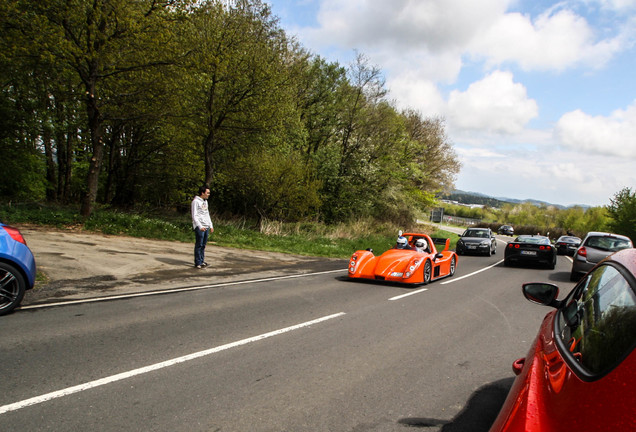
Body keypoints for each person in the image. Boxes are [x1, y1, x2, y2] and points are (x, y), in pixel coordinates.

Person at [191, 185, 214, 269]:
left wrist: (210, 225)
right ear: (202, 193)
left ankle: (201, 260)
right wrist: (199, 226)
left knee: (203, 244)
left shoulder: (205, 202)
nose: (208, 194)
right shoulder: (195, 201)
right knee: (199, 244)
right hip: (199, 226)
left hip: (206, 225)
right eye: (207, 193)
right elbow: (194, 215)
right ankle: (197, 262)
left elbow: (207, 214)